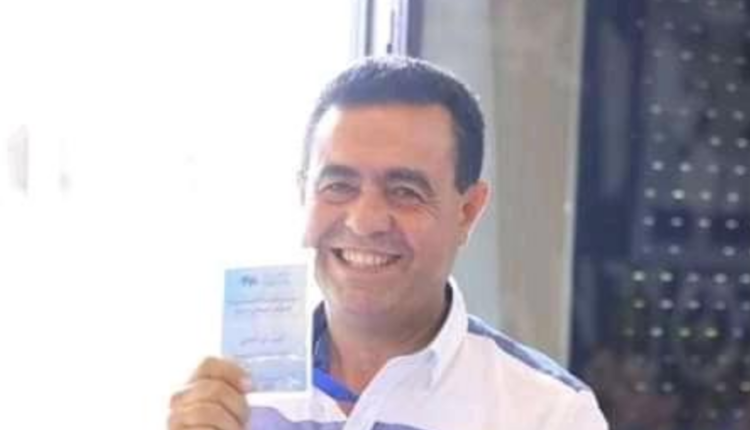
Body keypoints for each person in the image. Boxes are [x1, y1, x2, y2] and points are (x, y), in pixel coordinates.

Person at [168, 56, 609, 430]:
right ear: (303, 194)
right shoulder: (223, 394)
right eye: (338, 185)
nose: (364, 222)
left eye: (405, 191)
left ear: (468, 211)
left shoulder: (548, 414)